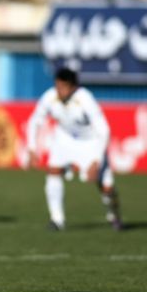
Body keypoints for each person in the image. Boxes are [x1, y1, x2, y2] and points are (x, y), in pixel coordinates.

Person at [25, 68, 122, 231]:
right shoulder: (50, 97)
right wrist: (32, 148)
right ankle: (57, 220)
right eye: (57, 86)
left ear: (73, 87)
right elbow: (35, 121)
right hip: (65, 139)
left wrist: (96, 161)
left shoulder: (85, 99)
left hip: (91, 142)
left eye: (63, 87)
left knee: (106, 187)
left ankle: (115, 216)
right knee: (53, 171)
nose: (59, 91)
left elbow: (104, 130)